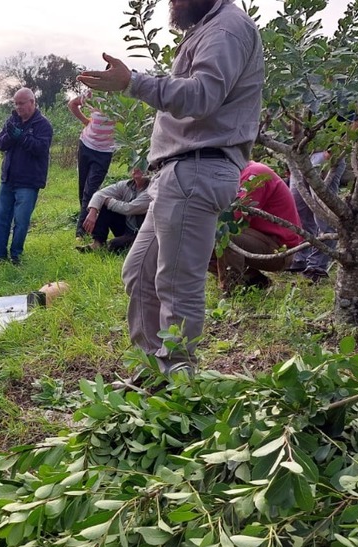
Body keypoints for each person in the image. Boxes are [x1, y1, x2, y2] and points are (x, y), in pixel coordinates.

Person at [79, 0, 264, 376]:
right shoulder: (208, 27)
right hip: (178, 172)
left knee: (177, 286)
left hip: (197, 168)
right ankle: (153, 369)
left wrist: (132, 83)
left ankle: (177, 379)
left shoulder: (226, 28)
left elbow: (201, 96)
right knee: (139, 272)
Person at [0, 88, 53, 266]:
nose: (18, 107)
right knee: (1, 217)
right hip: (8, 179)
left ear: (32, 102)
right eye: (15, 103)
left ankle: (16, 256)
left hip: (28, 181)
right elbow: (0, 143)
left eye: (21, 103)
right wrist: (10, 135)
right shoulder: (12, 120)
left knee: (21, 221)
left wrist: (21, 136)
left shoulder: (43, 124)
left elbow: (40, 148)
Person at [211, 161, 302, 292]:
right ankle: (253, 281)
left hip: (280, 250)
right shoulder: (232, 176)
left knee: (224, 234)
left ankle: (231, 290)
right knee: (196, 238)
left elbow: (235, 218)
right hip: (260, 240)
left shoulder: (254, 174)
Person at [288, 152, 346, 283]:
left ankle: (316, 266)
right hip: (301, 155)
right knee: (299, 213)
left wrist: (333, 151)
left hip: (324, 154)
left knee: (324, 216)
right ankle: (300, 259)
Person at [69, 90, 118, 238]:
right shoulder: (93, 94)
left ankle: (81, 232)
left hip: (104, 151)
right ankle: (88, 223)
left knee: (90, 189)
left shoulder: (122, 99)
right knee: (83, 187)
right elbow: (72, 104)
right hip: (86, 144)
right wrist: (85, 121)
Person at [80, 167, 152, 253]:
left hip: (140, 233)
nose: (136, 168)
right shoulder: (125, 185)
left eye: (141, 165)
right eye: (134, 165)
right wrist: (93, 211)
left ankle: (122, 244)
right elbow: (99, 194)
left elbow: (129, 208)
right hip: (126, 227)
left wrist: (108, 201)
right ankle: (98, 242)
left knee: (114, 245)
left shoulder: (151, 190)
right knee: (104, 205)